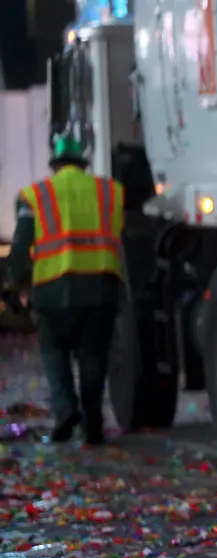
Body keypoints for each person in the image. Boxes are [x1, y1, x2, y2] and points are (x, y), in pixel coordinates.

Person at [6, 135, 125, 445]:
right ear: (83, 163)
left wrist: (15, 285)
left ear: (55, 165)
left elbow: (20, 248)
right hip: (100, 286)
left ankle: (65, 410)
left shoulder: (36, 195)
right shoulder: (108, 191)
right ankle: (93, 424)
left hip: (53, 289)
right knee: (92, 356)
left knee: (54, 350)